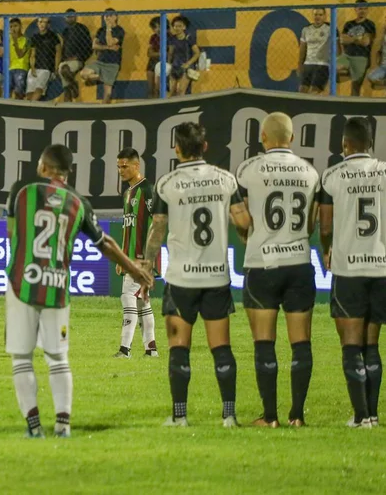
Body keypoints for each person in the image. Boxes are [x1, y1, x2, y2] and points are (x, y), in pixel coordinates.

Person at [5, 144, 152, 439]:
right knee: (58, 358)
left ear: (44, 167)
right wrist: (136, 269)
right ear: (68, 172)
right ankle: (63, 426)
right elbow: (106, 244)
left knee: (22, 358)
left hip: (23, 285)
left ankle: (34, 427)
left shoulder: (21, 189)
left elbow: (13, 233)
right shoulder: (78, 202)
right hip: (57, 288)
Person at [142, 122, 251, 428]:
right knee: (222, 348)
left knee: (179, 348)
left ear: (177, 149)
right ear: (205, 147)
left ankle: (179, 417)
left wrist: (147, 265)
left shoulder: (167, 184)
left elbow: (158, 230)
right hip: (216, 277)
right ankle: (229, 415)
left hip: (181, 279)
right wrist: (245, 238)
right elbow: (243, 221)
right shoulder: (225, 180)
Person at [234, 112, 320, 428]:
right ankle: (297, 416)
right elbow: (310, 223)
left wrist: (248, 236)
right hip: (298, 262)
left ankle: (269, 417)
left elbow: (240, 216)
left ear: (263, 138)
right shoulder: (310, 172)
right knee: (301, 343)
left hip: (262, 264)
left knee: (264, 342)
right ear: (292, 138)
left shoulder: (248, 170)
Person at [319, 117, 385, 428]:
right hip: (381, 267)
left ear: (345, 144)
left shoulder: (333, 176)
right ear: (370, 144)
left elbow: (327, 224)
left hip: (349, 269)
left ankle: (361, 417)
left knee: (350, 343)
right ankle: (372, 414)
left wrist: (327, 248)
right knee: (371, 344)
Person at [114, 148, 158, 359]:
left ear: (136, 165)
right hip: (130, 258)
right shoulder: (128, 193)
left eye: (125, 166)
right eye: (118, 167)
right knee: (142, 303)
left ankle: (125, 349)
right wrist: (122, 256)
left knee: (128, 297)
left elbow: (158, 223)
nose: (121, 170)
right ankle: (151, 349)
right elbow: (127, 228)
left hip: (141, 260)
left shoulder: (148, 190)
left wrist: (150, 258)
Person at [79, 8, 125, 104]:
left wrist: (109, 28)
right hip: (100, 61)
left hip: (112, 63)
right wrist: (108, 48)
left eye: (110, 15)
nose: (107, 17)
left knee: (107, 94)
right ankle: (101, 78)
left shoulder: (120, 30)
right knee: (84, 74)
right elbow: (94, 45)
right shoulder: (101, 30)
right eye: (106, 15)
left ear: (115, 17)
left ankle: (103, 112)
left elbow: (110, 41)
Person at [338, 0, 376, 96]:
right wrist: (357, 38)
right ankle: (351, 71)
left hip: (361, 57)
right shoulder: (349, 24)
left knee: (355, 86)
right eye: (360, 8)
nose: (362, 11)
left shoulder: (370, 24)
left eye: (365, 8)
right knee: (333, 70)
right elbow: (342, 40)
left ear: (367, 10)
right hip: (346, 56)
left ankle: (353, 109)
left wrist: (350, 39)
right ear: (355, 9)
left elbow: (365, 42)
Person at [58, 9, 92, 102]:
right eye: (68, 16)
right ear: (65, 18)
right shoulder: (65, 31)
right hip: (65, 61)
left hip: (78, 60)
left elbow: (89, 47)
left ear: (76, 16)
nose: (70, 18)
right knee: (66, 90)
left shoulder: (82, 29)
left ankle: (74, 84)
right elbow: (64, 48)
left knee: (64, 69)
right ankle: (67, 111)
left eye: (72, 16)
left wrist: (79, 57)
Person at [298, 7, 333, 95]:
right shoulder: (306, 29)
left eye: (320, 15)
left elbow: (337, 48)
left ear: (325, 16)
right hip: (308, 64)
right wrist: (300, 64)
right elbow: (302, 48)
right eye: (315, 14)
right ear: (312, 16)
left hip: (322, 64)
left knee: (314, 92)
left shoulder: (330, 29)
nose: (318, 17)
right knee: (302, 91)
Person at [164, 16, 201, 97]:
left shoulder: (189, 38)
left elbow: (197, 53)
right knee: (171, 92)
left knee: (181, 91)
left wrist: (188, 63)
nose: (177, 28)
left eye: (180, 26)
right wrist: (169, 64)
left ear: (184, 27)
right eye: (175, 26)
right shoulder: (172, 39)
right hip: (174, 66)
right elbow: (170, 53)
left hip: (185, 68)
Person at [27, 16, 61, 102]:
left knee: (39, 90)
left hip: (46, 68)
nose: (42, 24)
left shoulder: (53, 36)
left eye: (44, 22)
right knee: (29, 93)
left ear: (48, 25)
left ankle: (29, 108)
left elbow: (58, 52)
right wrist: (32, 67)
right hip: (35, 68)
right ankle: (31, 107)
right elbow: (33, 54)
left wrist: (56, 68)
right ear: (37, 24)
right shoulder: (35, 37)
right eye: (40, 22)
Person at [7, 18, 30, 99]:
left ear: (21, 26)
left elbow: (20, 55)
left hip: (21, 68)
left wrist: (15, 41)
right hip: (9, 68)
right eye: (11, 27)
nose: (13, 29)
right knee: (6, 90)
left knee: (18, 91)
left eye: (16, 26)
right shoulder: (8, 39)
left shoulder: (27, 40)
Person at [146, 16, 161, 98]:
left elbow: (168, 53)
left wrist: (156, 53)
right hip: (152, 61)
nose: (156, 29)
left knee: (157, 88)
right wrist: (159, 54)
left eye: (158, 26)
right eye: (154, 28)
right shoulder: (153, 37)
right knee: (150, 88)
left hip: (162, 62)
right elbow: (149, 53)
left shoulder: (169, 37)